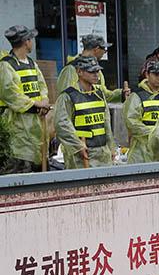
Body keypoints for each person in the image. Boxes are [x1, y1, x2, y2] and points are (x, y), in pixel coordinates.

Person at [0, 25, 50, 173]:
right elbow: (10, 94)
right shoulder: (6, 65)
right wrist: (36, 103)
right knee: (20, 168)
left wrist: (45, 100)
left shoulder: (31, 63)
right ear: (26, 42)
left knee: (39, 164)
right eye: (30, 39)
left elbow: (41, 84)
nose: (32, 42)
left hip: (37, 122)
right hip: (18, 126)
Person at [54, 56, 116, 169]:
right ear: (79, 72)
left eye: (97, 71)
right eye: (91, 71)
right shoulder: (68, 96)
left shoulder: (99, 94)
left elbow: (106, 123)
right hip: (81, 155)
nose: (96, 74)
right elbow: (62, 125)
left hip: (102, 153)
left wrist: (111, 147)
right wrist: (78, 146)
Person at [124, 60, 159, 163]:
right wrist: (155, 134)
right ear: (147, 74)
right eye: (156, 74)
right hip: (141, 151)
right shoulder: (137, 96)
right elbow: (132, 122)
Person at [55, 34, 129, 103]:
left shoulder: (97, 70)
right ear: (97, 49)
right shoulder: (71, 69)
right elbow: (65, 100)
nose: (104, 53)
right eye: (104, 50)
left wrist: (121, 94)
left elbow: (102, 95)